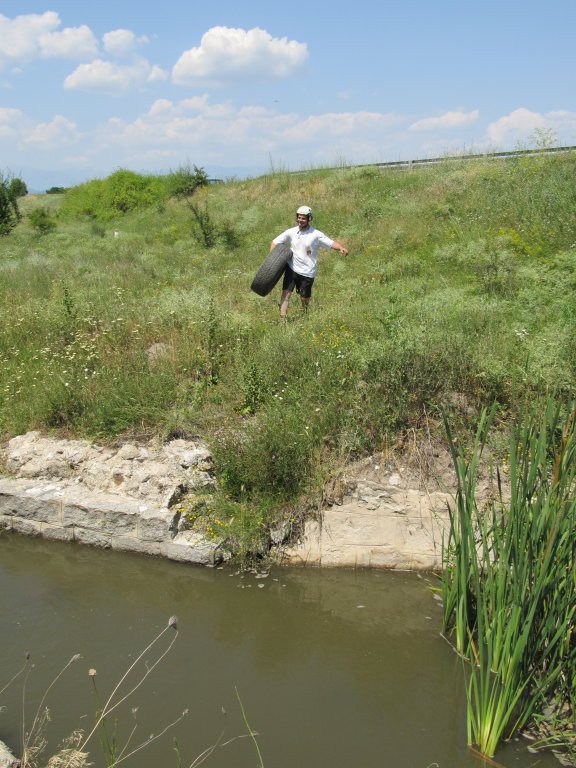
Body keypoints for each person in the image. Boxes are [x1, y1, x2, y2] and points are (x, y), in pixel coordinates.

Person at [270, 205, 349, 321]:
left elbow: (330, 243)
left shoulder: (316, 234)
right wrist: (271, 259)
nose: (300, 220)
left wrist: (340, 247)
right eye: (299, 217)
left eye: (303, 218)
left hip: (308, 272)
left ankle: (304, 312)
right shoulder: (291, 232)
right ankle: (282, 320)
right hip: (292, 268)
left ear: (309, 219)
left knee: (304, 298)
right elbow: (275, 242)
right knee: (285, 294)